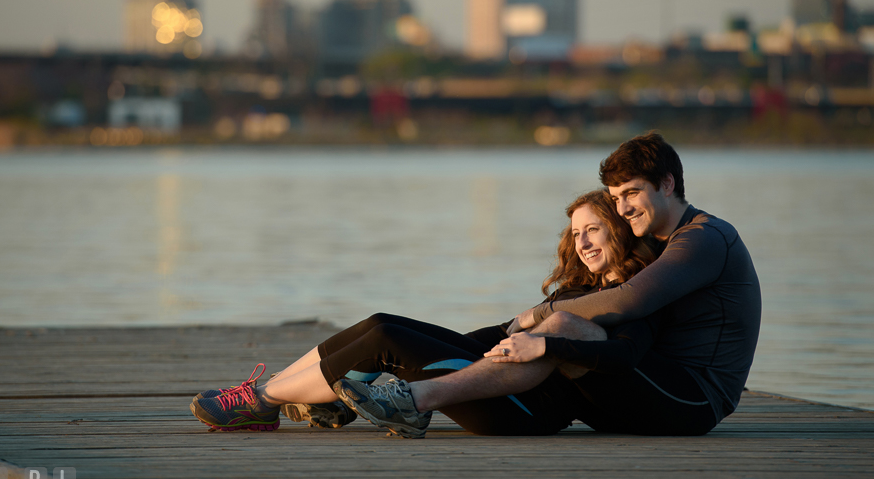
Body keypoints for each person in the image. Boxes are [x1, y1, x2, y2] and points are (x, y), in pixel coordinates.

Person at [335, 131, 761, 438]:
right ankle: (387, 384)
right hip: (644, 379)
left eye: (632, 193)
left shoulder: (703, 238)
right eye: (616, 198)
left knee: (559, 329)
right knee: (491, 336)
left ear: (667, 184)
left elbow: (629, 301)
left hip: (693, 397)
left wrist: (542, 317)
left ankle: (415, 399)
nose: (623, 208)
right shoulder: (651, 239)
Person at [190, 188, 657, 436]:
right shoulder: (577, 289)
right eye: (577, 234)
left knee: (384, 344)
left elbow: (628, 356)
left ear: (619, 231)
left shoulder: (635, 297)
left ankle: (261, 403)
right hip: (490, 382)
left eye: (594, 229)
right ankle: (287, 394)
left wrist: (547, 341)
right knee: (381, 324)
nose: (583, 243)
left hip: (522, 412)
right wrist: (445, 344)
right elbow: (493, 336)